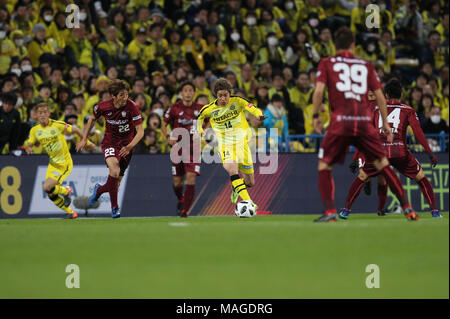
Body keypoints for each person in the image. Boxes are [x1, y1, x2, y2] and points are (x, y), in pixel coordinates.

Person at [312, 27, 418, 222]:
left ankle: (330, 213)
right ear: (353, 45)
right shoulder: (366, 65)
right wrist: (385, 123)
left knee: (325, 165)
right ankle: (408, 208)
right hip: (363, 122)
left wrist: (315, 116)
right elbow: (379, 95)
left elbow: (318, 92)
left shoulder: (327, 63)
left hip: (340, 122)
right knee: (383, 164)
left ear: (335, 46)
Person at [340, 78, 442, 219]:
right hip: (400, 152)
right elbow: (419, 134)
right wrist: (430, 153)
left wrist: (357, 158)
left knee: (362, 177)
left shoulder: (376, 110)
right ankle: (435, 212)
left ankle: (345, 210)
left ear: (386, 95)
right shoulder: (409, 111)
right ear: (401, 95)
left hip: (379, 153)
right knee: (421, 178)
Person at [76, 80, 144, 218]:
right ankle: (115, 208)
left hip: (127, 146)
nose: (125, 98)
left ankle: (99, 189)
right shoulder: (102, 107)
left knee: (115, 184)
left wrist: (130, 146)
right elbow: (91, 120)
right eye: (121, 95)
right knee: (114, 170)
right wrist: (84, 138)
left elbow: (140, 131)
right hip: (110, 143)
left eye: (126, 94)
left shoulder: (132, 107)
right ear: (113, 96)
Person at [196, 78, 267, 209]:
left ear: (229, 93)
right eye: (220, 95)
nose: (223, 98)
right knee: (232, 169)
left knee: (250, 182)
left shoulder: (237, 101)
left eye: (225, 95)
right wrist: (200, 130)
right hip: (225, 145)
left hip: (242, 144)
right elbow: (199, 118)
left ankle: (236, 187)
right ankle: (249, 203)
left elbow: (251, 107)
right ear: (216, 95)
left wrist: (258, 115)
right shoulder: (209, 109)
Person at [24, 103, 93, 219]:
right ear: (36, 115)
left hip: (64, 163)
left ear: (49, 113)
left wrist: (87, 142)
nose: (43, 115)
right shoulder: (35, 130)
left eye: (45, 112)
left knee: (47, 187)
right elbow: (31, 141)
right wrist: (29, 146)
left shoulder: (57, 125)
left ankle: (66, 190)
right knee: (50, 193)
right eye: (40, 113)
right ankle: (71, 213)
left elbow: (75, 129)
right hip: (53, 164)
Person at [161, 81, 203, 218]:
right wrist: (168, 136)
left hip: (193, 148)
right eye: (186, 90)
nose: (188, 93)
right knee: (177, 182)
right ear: (181, 93)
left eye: (191, 90)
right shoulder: (174, 108)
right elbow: (164, 123)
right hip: (178, 148)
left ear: (194, 93)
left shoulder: (201, 109)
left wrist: (204, 131)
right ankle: (181, 199)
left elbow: (209, 120)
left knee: (191, 178)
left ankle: (185, 211)